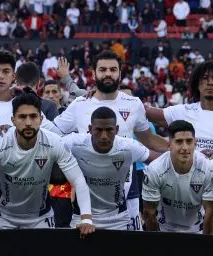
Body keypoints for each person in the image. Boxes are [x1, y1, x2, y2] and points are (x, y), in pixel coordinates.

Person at [53, 51, 169, 230]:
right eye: (103, 69)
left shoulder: (133, 103)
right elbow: (53, 133)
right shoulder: (80, 104)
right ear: (94, 73)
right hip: (86, 195)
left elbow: (150, 140)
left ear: (120, 74)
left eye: (113, 69)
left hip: (127, 192)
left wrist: (179, 150)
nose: (108, 73)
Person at [146, 61, 213, 238]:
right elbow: (143, 111)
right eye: (204, 79)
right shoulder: (182, 111)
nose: (209, 82)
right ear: (197, 84)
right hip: (188, 192)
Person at [0, 93, 93, 235]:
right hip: (3, 219)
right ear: (13, 120)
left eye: (33, 117)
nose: (28, 122)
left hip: (41, 218)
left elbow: (78, 179)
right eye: (22, 117)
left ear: (41, 119)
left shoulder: (54, 142)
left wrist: (86, 218)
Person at [63, 107, 160, 231]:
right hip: (82, 217)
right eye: (98, 130)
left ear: (117, 129)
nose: (104, 136)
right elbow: (50, 147)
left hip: (118, 219)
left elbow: (159, 161)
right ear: (90, 129)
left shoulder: (128, 147)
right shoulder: (74, 143)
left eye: (109, 130)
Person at [141, 120, 213, 234]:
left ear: (195, 143)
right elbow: (149, 213)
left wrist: (205, 248)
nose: (185, 147)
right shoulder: (155, 169)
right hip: (165, 230)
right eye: (179, 142)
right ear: (169, 145)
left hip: (198, 230)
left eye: (189, 141)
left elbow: (210, 213)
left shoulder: (209, 167)